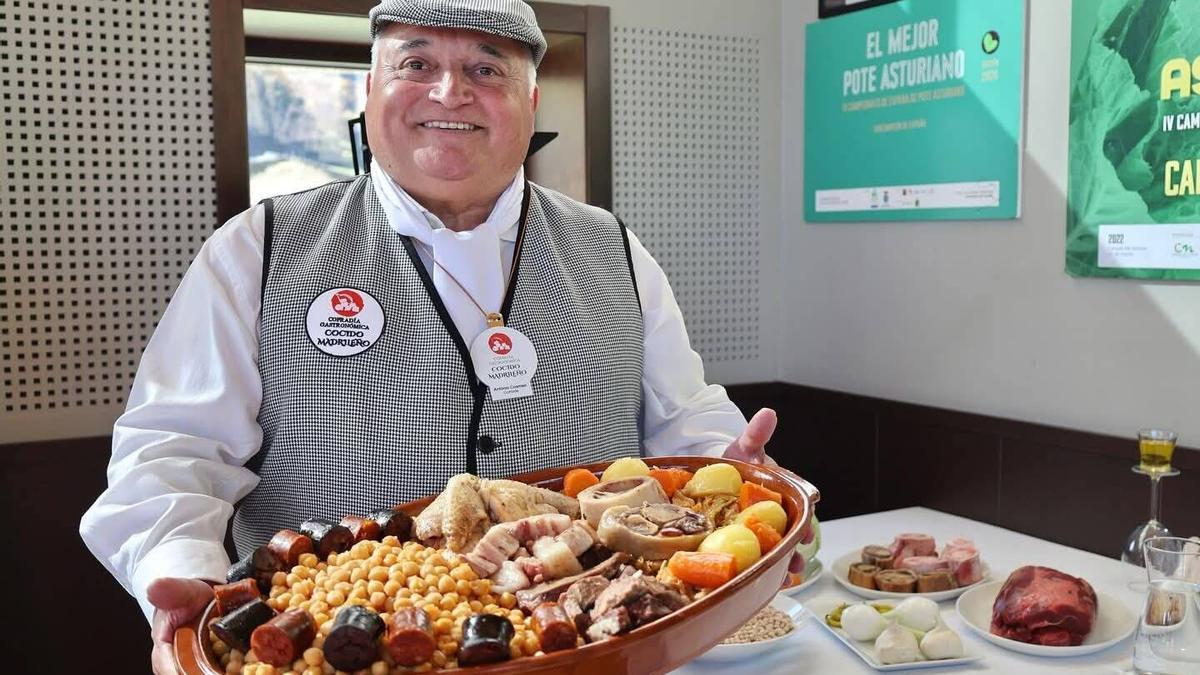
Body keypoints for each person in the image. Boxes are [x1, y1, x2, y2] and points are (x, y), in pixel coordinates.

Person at [78, 1, 810, 672]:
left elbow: (687, 422)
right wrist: (180, 570)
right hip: (333, 651)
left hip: (586, 648)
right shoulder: (257, 249)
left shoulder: (616, 250)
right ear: (369, 92)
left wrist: (742, 474)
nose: (450, 90)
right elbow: (172, 451)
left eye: (485, 67)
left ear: (529, 101)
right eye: (416, 63)